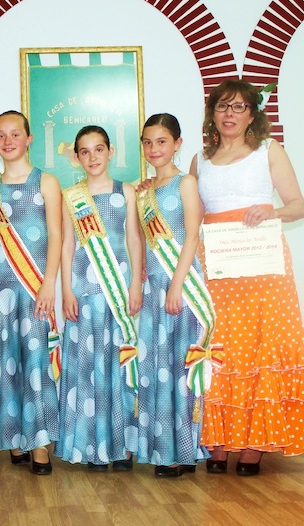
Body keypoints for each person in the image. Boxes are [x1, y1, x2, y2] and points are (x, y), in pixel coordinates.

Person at [190, 79, 304, 476]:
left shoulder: (269, 151)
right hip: (217, 266)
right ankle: (218, 442)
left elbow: (298, 206)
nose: (230, 114)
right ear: (212, 113)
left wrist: (272, 212)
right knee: (219, 347)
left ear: (252, 114)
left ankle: (255, 445)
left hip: (264, 267)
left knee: (261, 347)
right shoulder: (200, 161)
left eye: (239, 107)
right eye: (223, 106)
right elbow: (189, 213)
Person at [55, 125, 143, 472]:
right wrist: (66, 290)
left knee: (119, 366)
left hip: (118, 292)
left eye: (99, 149)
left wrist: (135, 285)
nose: (92, 157)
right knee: (86, 369)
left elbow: (133, 238)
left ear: (110, 152)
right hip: (83, 292)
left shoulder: (127, 192)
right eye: (85, 151)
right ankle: (91, 445)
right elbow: (67, 245)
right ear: (77, 158)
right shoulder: (70, 196)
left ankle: (121, 447)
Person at [0, 110, 62, 475]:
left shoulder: (47, 181)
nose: (8, 140)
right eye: (1, 135)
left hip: (34, 289)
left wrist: (49, 284)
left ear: (29, 139)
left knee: (35, 364)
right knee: (4, 362)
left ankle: (40, 444)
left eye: (15, 134)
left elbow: (57, 235)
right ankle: (12, 436)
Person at [136, 114, 214, 477]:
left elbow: (193, 236)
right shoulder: (144, 190)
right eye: (148, 142)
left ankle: (183, 451)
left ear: (178, 144)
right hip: (154, 287)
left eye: (162, 141)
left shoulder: (186, 183)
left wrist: (177, 285)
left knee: (180, 370)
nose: (154, 149)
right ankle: (161, 447)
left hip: (180, 287)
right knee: (157, 368)